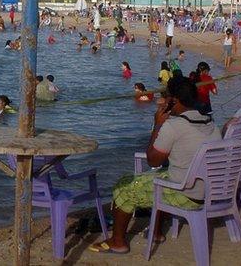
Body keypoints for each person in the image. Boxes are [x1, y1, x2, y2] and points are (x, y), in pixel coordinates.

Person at [91, 77, 217, 255]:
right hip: (207, 190)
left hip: (185, 193)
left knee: (123, 186)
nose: (163, 101)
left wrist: (158, 125)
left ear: (174, 100)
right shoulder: (209, 122)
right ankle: (156, 232)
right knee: (162, 175)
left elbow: (152, 160)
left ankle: (118, 242)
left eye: (166, 97)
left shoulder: (174, 126)